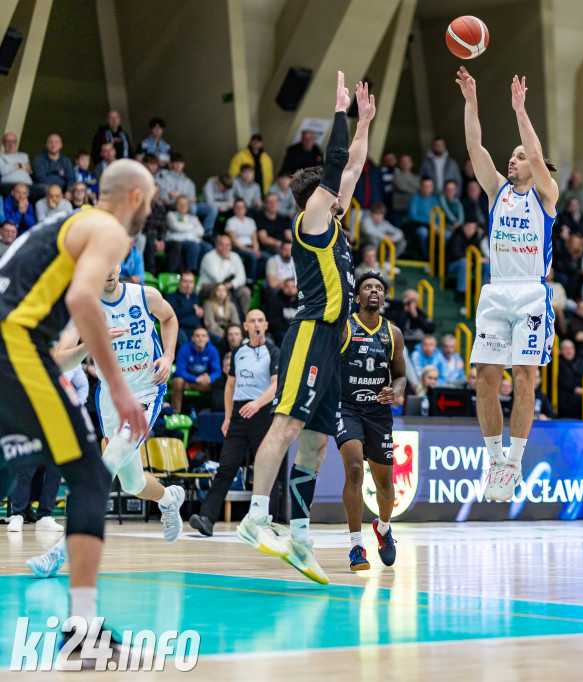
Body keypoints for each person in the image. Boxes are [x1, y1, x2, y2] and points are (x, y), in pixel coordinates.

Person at [0, 159, 151, 664]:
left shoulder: (63, 225)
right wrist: (119, 388)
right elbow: (84, 299)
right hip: (15, 348)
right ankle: (83, 630)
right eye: (150, 198)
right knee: (89, 477)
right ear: (135, 197)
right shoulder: (107, 229)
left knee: (5, 472)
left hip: (14, 348)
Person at [235, 73, 371, 582]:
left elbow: (352, 166)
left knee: (314, 443)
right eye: (331, 191)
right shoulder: (311, 221)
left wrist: (365, 122)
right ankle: (255, 517)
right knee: (287, 425)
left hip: (335, 342)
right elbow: (337, 163)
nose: (341, 193)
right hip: (312, 331)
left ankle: (299, 536)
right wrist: (340, 111)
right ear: (316, 197)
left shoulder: (333, 218)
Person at [29, 263, 188, 575]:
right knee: (132, 483)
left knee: (105, 465)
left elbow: (169, 317)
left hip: (145, 393)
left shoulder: (144, 296)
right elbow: (58, 362)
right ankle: (170, 498)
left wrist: (168, 356)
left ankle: (61, 552)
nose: (108, 271)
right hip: (111, 398)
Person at [457, 66, 558, 501]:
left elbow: (535, 152)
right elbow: (473, 145)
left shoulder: (546, 194)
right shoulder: (497, 189)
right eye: (512, 156)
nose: (512, 159)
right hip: (497, 290)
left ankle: (515, 461)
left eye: (518, 156)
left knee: (524, 378)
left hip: (531, 291)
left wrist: (520, 111)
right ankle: (495, 462)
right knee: (484, 379)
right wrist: (471, 101)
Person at [328, 272, 406, 571]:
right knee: (354, 469)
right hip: (346, 407)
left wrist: (395, 391)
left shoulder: (393, 333)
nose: (374, 290)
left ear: (383, 297)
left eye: (379, 288)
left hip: (378, 412)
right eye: (368, 287)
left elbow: (400, 376)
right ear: (358, 297)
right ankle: (356, 546)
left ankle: (383, 528)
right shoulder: (344, 327)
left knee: (385, 485)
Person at [189, 310, 279, 536]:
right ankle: (207, 518)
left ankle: (271, 521)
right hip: (239, 414)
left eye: (260, 320)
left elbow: (276, 385)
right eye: (252, 321)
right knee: (226, 467)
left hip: (262, 412)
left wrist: (257, 403)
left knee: (266, 468)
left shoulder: (273, 351)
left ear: (266, 325)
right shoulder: (238, 352)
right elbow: (230, 385)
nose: (256, 324)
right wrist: (228, 417)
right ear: (245, 326)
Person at [170, 327, 221, 413]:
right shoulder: (184, 349)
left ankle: (214, 412)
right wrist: (195, 379)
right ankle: (175, 412)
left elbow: (217, 371)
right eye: (197, 336)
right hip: (187, 382)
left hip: (204, 383)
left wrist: (209, 378)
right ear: (192, 338)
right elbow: (180, 371)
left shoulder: (212, 350)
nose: (200, 338)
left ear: (208, 338)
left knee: (219, 383)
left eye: (203, 336)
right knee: (177, 381)